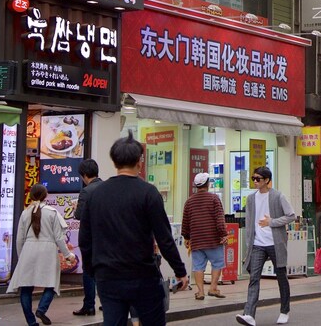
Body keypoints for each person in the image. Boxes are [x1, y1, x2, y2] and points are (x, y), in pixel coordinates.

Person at [80, 133, 189, 326]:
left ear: (114, 162)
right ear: (140, 162)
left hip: (107, 276)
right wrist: (180, 271)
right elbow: (164, 238)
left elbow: (85, 239)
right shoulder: (148, 193)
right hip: (142, 275)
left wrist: (92, 269)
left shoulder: (96, 195)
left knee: (113, 322)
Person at [8, 184, 76, 326]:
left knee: (26, 288)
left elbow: (19, 238)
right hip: (48, 251)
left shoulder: (25, 213)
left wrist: (21, 257)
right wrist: (68, 254)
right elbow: (59, 238)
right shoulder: (52, 212)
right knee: (51, 284)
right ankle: (41, 309)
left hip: (28, 249)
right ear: (45, 196)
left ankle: (31, 321)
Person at [236, 166, 295, 326]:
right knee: (254, 278)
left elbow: (291, 216)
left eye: (258, 179)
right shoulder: (250, 198)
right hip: (257, 244)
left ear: (267, 180)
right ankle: (249, 314)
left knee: (281, 276)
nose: (255, 181)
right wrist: (249, 244)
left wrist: (272, 222)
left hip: (275, 243)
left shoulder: (277, 196)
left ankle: (284, 310)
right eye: (253, 178)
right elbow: (249, 223)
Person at [181, 172, 229, 300]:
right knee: (217, 263)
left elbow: (185, 221)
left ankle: (200, 291)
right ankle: (213, 288)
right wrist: (223, 234)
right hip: (213, 239)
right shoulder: (214, 199)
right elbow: (219, 219)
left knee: (198, 266)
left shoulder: (189, 201)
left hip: (197, 240)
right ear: (207, 184)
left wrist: (186, 237)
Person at [73, 159, 103, 316]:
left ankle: (89, 305)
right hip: (106, 238)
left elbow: (79, 215)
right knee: (104, 270)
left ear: (84, 175)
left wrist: (74, 209)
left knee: (89, 272)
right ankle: (106, 302)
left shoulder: (86, 191)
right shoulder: (106, 187)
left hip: (90, 239)